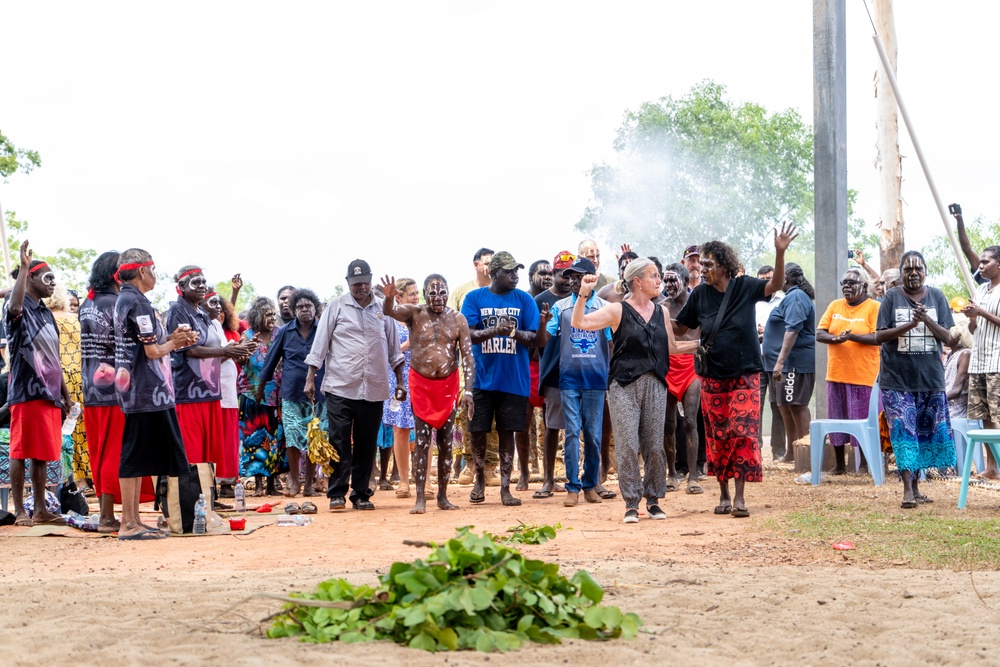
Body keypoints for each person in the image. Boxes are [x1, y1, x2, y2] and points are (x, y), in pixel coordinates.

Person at [674, 223, 796, 518]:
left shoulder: (744, 286)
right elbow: (680, 327)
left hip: (745, 374)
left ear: (725, 266)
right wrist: (652, 312)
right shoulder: (700, 295)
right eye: (701, 264)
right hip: (712, 376)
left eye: (708, 264)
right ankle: (724, 495)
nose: (702, 269)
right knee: (718, 436)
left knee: (742, 433)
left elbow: (775, 285)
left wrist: (780, 253)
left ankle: (740, 498)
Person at [571, 258, 697, 523]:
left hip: (655, 383)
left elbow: (672, 347)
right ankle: (631, 503)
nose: (659, 280)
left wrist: (703, 344)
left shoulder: (661, 312)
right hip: (623, 386)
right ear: (637, 281)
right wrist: (584, 292)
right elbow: (579, 322)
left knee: (654, 445)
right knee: (628, 444)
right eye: (653, 276)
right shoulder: (617, 310)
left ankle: (653, 500)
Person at [305, 259, 405, 511]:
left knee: (366, 441)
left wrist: (401, 381)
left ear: (371, 281)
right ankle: (337, 492)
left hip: (373, 386)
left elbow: (394, 350)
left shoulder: (383, 309)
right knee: (339, 440)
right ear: (348, 283)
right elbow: (320, 344)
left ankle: (361, 494)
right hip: (340, 385)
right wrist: (310, 377)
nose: (359, 287)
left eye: (363, 282)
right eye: (354, 283)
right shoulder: (336, 307)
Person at [113, 248, 200, 539]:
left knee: (137, 455)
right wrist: (175, 342)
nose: (155, 275)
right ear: (141, 271)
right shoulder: (136, 302)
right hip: (145, 391)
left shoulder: (127, 299)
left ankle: (134, 519)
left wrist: (173, 339)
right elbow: (152, 352)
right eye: (152, 269)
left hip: (140, 390)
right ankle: (128, 522)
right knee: (133, 454)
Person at [381, 273, 475, 513]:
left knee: (444, 442)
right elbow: (390, 312)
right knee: (422, 441)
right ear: (425, 294)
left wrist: (469, 392)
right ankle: (420, 497)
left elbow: (468, 357)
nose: (438, 298)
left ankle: (443, 496)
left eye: (442, 292)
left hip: (448, 385)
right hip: (421, 384)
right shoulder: (414, 313)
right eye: (432, 293)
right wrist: (389, 298)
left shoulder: (458, 319)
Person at [876, 250, 956, 508]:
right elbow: (880, 336)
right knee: (903, 434)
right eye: (908, 269)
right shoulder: (891, 297)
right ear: (901, 273)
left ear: (925, 271)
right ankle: (907, 490)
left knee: (923, 433)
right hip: (896, 379)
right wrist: (909, 326)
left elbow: (949, 338)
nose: (913, 273)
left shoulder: (937, 297)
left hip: (929, 378)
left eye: (917, 269)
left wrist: (926, 320)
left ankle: (918, 487)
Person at [461, 251, 540, 506]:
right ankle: (479, 479)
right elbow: (468, 335)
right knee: (477, 431)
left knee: (508, 433)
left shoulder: (525, 300)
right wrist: (495, 330)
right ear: (492, 273)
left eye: (516, 271)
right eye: (508, 271)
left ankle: (506, 486)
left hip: (513, 379)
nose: (515, 276)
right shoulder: (474, 298)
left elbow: (535, 337)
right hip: (481, 379)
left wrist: (514, 333)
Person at [167, 266, 253, 496]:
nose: (202, 286)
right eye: (195, 282)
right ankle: (192, 500)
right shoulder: (178, 311)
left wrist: (237, 348)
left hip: (211, 391)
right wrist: (226, 354)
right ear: (181, 287)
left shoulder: (202, 314)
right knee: (194, 449)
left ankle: (209, 500)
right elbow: (190, 350)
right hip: (189, 391)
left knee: (209, 449)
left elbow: (215, 345)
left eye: (203, 281)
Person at [80, 251, 150, 532]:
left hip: (91, 388)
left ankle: (105, 514)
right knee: (117, 453)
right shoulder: (118, 303)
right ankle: (110, 517)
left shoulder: (87, 303)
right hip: (117, 391)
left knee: (99, 452)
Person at [536, 256, 612, 506]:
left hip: (595, 379)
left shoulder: (604, 307)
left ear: (593, 278)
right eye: (573, 277)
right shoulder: (560, 307)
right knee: (570, 434)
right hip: (568, 378)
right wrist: (543, 324)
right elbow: (544, 343)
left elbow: (610, 344)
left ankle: (590, 484)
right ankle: (572, 486)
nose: (576, 282)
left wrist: (609, 374)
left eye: (581, 277)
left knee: (592, 434)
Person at [6, 241, 72, 527]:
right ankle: (21, 510)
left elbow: (55, 358)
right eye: (47, 278)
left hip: (50, 393)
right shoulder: (19, 309)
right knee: (21, 451)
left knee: (43, 453)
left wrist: (66, 396)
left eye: (54, 279)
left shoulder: (45, 312)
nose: (53, 284)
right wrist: (23, 266)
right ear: (30, 278)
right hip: (27, 391)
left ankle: (41, 509)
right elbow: (14, 304)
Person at [259, 289, 326, 498]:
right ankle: (295, 482)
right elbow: (270, 361)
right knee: (293, 439)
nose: (304, 310)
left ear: (315, 308)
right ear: (294, 310)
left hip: (319, 395)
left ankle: (309, 484)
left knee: (315, 439)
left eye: (308, 306)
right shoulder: (285, 332)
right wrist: (260, 388)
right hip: (290, 394)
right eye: (300, 307)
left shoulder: (323, 330)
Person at [816, 266, 881, 474]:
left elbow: (877, 337)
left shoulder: (873, 307)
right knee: (837, 418)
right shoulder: (835, 306)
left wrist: (852, 337)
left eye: (851, 283)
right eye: (843, 283)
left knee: (862, 419)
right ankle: (840, 465)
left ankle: (863, 464)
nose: (846, 286)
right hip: (836, 373)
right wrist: (837, 339)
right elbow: (819, 333)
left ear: (863, 285)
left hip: (864, 375)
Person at [448, 247, 496, 484]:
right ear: (476, 264)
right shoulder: (461, 292)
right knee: (468, 411)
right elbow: (448, 326)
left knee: (494, 418)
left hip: (495, 362)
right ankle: (470, 465)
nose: (491, 266)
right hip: (466, 364)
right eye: (488, 262)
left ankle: (490, 468)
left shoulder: (502, 291)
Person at [532, 250, 575, 497]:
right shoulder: (541, 300)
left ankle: (580, 479)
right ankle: (548, 479)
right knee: (552, 425)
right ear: (554, 274)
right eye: (563, 274)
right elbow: (538, 342)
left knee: (580, 428)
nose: (568, 279)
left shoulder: (580, 299)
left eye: (571, 275)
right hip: (553, 370)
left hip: (580, 370)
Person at [762, 263, 816, 460]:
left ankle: (807, 454)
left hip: (795, 362)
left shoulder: (796, 297)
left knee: (797, 405)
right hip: (784, 363)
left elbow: (793, 329)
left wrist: (780, 361)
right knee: (785, 405)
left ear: (787, 278)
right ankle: (792, 452)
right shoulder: (791, 296)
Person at [661, 262, 703, 494]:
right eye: (665, 281)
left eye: (672, 280)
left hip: (692, 368)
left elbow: (705, 337)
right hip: (668, 368)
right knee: (669, 424)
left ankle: (693, 476)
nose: (668, 285)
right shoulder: (662, 307)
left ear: (686, 282)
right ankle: (671, 473)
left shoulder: (699, 304)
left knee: (689, 421)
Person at [200, 292, 245, 495]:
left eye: (219, 304)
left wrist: (239, 350)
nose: (218, 308)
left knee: (228, 439)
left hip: (228, 389)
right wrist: (231, 351)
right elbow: (209, 359)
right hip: (213, 390)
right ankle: (215, 484)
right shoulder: (203, 325)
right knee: (217, 439)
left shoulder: (216, 325)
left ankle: (227, 481)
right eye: (212, 303)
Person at [239, 297, 284, 496]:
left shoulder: (280, 334)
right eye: (268, 314)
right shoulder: (248, 336)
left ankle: (272, 484)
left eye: (273, 314)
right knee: (255, 439)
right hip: (252, 395)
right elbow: (240, 358)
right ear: (258, 316)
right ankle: (258, 484)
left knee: (274, 439)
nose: (272, 318)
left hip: (276, 394)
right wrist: (243, 352)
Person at [962, 245, 1000, 479]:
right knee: (984, 417)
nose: (981, 266)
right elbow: (974, 330)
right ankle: (992, 467)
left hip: (998, 362)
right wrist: (973, 317)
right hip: (979, 363)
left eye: (986, 262)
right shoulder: (981, 290)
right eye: (981, 262)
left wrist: (982, 312)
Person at [44, 285, 89, 483]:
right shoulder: (75, 320)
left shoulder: (46, 319)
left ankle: (68, 479)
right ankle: (88, 477)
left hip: (58, 379)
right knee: (83, 427)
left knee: (64, 430)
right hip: (81, 377)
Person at [383, 277, 419, 499]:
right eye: (411, 294)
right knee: (400, 429)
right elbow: (386, 351)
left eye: (417, 293)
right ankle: (404, 482)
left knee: (426, 427)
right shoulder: (391, 321)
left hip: (422, 378)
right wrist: (409, 344)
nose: (416, 297)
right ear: (399, 297)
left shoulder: (422, 318)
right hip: (398, 380)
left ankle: (423, 481)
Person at [754, 264, 786, 461]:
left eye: (769, 278)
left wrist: (769, 333)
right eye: (762, 278)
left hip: (776, 360)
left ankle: (779, 451)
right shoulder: (752, 301)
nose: (766, 281)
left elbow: (790, 330)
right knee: (755, 405)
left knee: (777, 405)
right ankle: (755, 449)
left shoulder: (784, 301)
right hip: (756, 359)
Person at [945, 313, 973, 422]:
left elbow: (957, 390)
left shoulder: (965, 354)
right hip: (947, 403)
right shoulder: (949, 354)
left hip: (955, 409)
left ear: (958, 335)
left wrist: (936, 401)